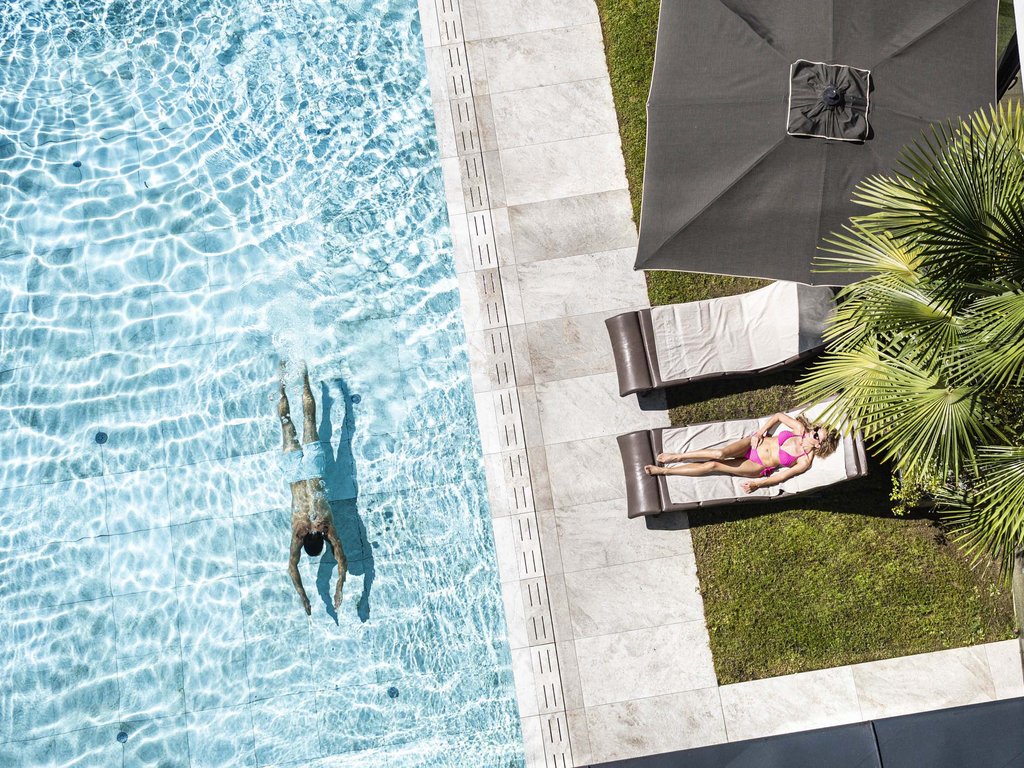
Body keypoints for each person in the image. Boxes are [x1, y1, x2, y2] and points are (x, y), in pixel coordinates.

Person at [279, 362, 346, 615]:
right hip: (295, 473)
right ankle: (283, 384)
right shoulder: (300, 532)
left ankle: (303, 377)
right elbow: (292, 567)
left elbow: (342, 562)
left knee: (309, 421)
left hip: (313, 470)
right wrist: (303, 596)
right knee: (287, 424)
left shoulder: (327, 530)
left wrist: (339, 585)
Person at [644, 412, 839, 494]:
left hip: (756, 465)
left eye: (816, 436)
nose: (812, 433)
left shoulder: (805, 461)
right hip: (752, 444)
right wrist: (760, 432)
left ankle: (665, 472)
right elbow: (779, 416)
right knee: (719, 454)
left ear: (819, 445)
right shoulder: (799, 429)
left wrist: (757, 483)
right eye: (815, 430)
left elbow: (781, 476)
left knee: (714, 465)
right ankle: (676, 457)